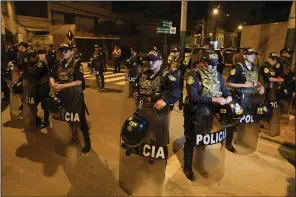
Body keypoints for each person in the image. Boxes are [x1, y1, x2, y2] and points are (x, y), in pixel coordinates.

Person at [183, 50, 232, 181]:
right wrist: (214, 99)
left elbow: (225, 90)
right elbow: (194, 97)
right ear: (203, 63)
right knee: (191, 139)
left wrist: (228, 97)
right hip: (195, 112)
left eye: (215, 65)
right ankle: (187, 166)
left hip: (210, 113)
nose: (214, 67)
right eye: (211, 64)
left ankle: (199, 164)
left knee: (204, 139)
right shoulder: (194, 76)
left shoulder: (218, 75)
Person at [49, 43, 91, 153]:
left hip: (74, 96)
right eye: (62, 51)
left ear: (72, 52)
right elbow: (52, 76)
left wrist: (62, 86)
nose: (63, 53)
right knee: (64, 117)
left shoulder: (77, 64)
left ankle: (87, 141)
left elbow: (79, 82)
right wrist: (53, 84)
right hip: (62, 96)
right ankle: (68, 135)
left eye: (66, 51)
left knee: (81, 120)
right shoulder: (59, 63)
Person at [226, 47, 265, 153]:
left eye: (254, 54)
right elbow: (229, 83)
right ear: (244, 56)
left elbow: (257, 82)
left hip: (252, 98)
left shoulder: (254, 67)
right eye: (250, 54)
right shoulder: (238, 68)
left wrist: (261, 87)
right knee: (234, 121)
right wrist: (244, 85)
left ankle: (242, 139)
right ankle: (228, 143)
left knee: (247, 119)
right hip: (240, 97)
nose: (252, 56)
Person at [23, 50, 50, 129]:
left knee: (44, 104)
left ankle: (46, 121)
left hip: (43, 86)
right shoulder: (28, 64)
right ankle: (36, 119)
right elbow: (24, 70)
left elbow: (35, 74)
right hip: (34, 86)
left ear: (36, 56)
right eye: (29, 56)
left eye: (33, 56)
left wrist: (24, 74)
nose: (31, 58)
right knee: (32, 104)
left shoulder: (41, 63)